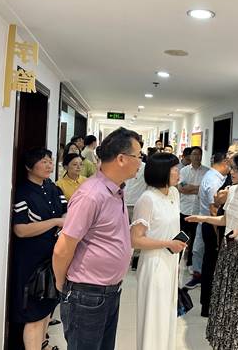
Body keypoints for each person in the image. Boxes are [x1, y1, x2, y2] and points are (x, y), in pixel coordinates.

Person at [53, 127, 142, 350]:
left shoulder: (116, 190)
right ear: (121, 158)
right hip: (87, 294)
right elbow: (63, 248)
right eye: (138, 156)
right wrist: (62, 284)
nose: (140, 162)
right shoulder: (91, 195)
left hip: (110, 291)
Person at [186, 151, 238, 349]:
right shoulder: (231, 190)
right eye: (231, 168)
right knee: (225, 296)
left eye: (235, 169)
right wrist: (202, 218)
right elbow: (225, 220)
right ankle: (225, 341)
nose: (231, 172)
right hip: (228, 250)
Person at [10, 148, 66, 350]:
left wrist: (61, 220)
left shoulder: (53, 189)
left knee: (46, 309)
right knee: (32, 314)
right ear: (29, 166)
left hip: (52, 259)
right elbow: (21, 230)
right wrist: (55, 222)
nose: (49, 165)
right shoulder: (23, 192)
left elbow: (66, 213)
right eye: (43, 161)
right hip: (30, 263)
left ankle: (43, 344)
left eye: (50, 161)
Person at [130, 152, 186, 350]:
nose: (178, 172)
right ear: (162, 172)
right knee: (153, 317)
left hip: (171, 261)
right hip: (154, 263)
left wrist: (176, 244)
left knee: (167, 316)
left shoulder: (174, 193)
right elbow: (135, 240)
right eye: (174, 169)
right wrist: (167, 243)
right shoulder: (147, 199)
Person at [200, 142, 238, 316]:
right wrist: (218, 238)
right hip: (219, 230)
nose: (228, 157)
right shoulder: (230, 177)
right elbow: (215, 205)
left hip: (232, 234)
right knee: (213, 267)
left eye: (232, 153)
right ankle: (209, 306)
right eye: (228, 153)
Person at [184, 152, 229, 290]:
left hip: (205, 220)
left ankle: (199, 276)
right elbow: (214, 209)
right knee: (205, 252)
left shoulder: (209, 174)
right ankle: (201, 277)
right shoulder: (214, 180)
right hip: (210, 222)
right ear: (225, 163)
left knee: (199, 249)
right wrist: (218, 235)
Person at [178, 146, 209, 273]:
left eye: (199, 154)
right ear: (190, 156)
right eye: (194, 154)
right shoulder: (184, 171)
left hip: (198, 211)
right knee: (181, 237)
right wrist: (197, 188)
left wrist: (190, 188)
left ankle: (191, 264)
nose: (197, 157)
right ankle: (177, 261)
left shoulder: (207, 171)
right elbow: (181, 187)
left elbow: (204, 190)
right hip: (184, 209)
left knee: (195, 240)